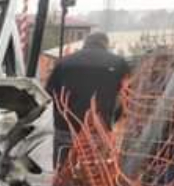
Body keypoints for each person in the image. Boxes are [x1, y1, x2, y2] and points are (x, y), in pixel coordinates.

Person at [45, 31, 130, 165]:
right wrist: (113, 118)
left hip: (66, 127)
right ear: (106, 44)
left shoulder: (64, 63)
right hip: (99, 128)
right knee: (95, 172)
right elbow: (126, 97)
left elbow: (49, 93)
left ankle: (61, 183)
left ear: (85, 43)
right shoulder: (119, 64)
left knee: (63, 169)